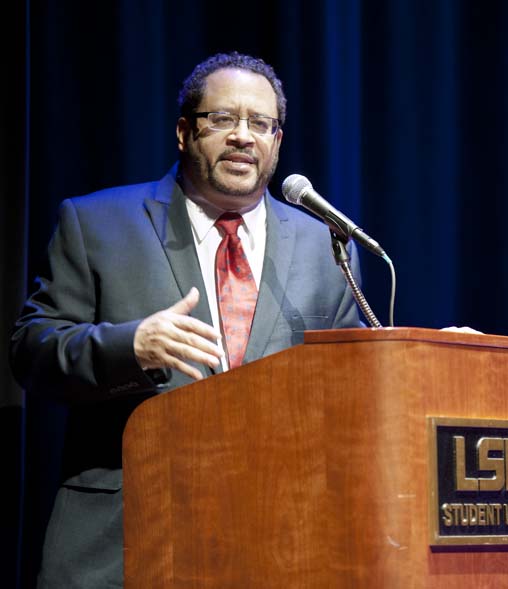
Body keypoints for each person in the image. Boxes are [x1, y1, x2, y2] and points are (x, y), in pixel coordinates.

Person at [10, 51, 363, 588]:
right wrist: (131, 347)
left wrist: (429, 355)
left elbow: (352, 377)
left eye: (260, 124)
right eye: (222, 119)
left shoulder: (325, 245)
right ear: (183, 132)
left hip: (278, 544)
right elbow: (31, 350)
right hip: (129, 541)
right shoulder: (97, 223)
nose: (243, 136)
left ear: (276, 142)